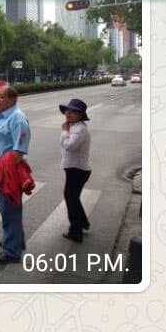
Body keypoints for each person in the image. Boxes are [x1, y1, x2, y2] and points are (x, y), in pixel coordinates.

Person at [0, 85, 31, 265]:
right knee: (6, 210)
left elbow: (19, 150)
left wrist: (3, 171)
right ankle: (15, 240)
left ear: (12, 99)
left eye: (1, 97)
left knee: (10, 212)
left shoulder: (17, 118)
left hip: (6, 174)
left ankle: (12, 251)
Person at [59, 98, 91, 242]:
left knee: (71, 199)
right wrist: (67, 130)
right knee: (73, 198)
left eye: (73, 111)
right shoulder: (75, 126)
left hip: (77, 169)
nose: (68, 113)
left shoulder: (79, 129)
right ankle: (83, 223)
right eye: (68, 110)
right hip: (76, 168)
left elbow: (69, 146)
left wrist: (65, 132)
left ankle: (76, 232)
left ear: (81, 115)